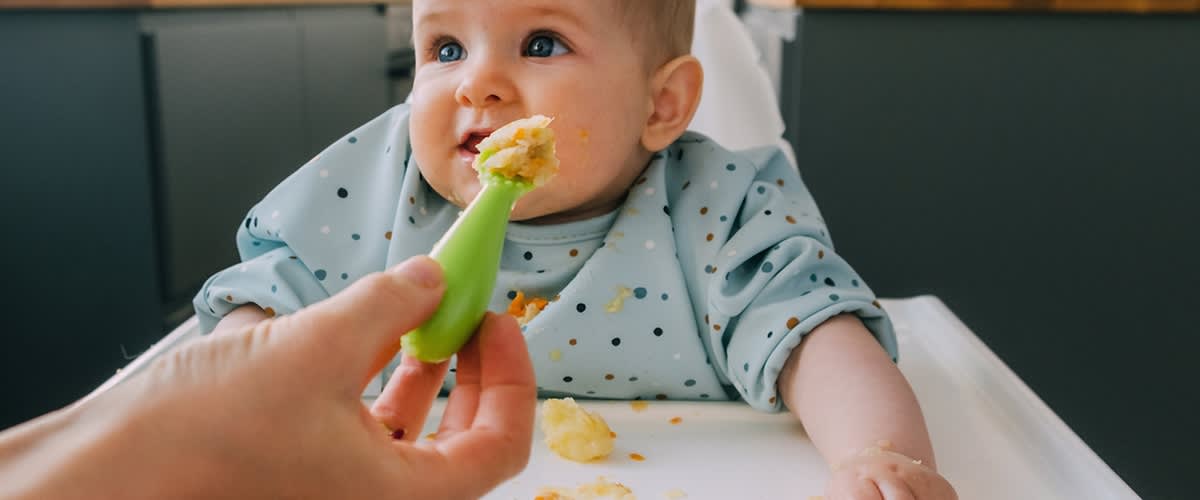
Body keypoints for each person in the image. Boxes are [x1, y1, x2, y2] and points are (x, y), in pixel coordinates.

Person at [194, 1, 957, 498]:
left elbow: (818, 335)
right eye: (447, 47)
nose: (477, 84)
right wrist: (232, 416)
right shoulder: (375, 185)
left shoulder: (715, 208)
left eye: (542, 43)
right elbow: (265, 302)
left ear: (661, 104)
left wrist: (881, 457)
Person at [0, 257, 537, 499]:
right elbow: (258, 295)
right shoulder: (361, 189)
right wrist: (239, 348)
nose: (476, 81)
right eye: (442, 62)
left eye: (542, 58)